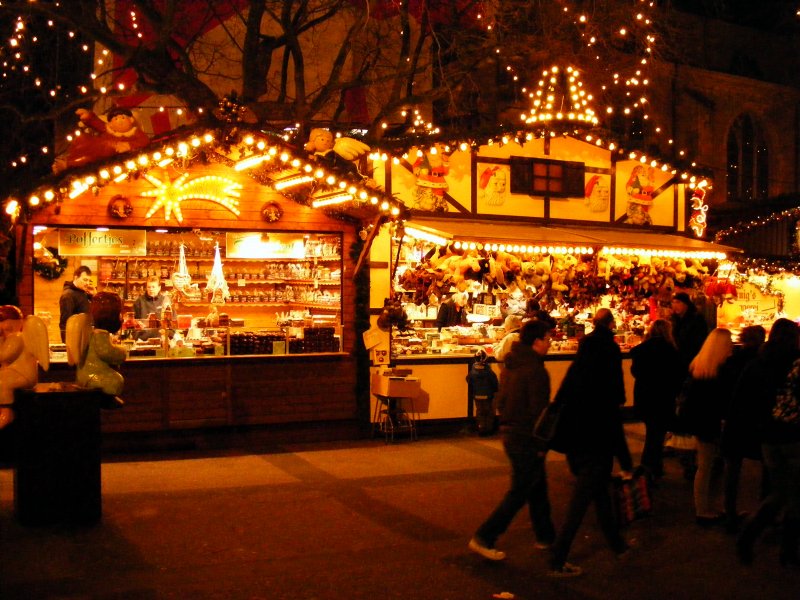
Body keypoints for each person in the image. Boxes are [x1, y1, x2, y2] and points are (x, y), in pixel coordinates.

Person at [547, 308, 632, 577]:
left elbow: (563, 395)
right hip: (596, 443)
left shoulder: (578, 372)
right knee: (582, 501)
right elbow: (612, 418)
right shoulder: (605, 379)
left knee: (599, 495)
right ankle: (558, 558)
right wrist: (626, 460)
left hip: (576, 440)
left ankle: (618, 546)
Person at [469, 320, 556, 561]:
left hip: (510, 431)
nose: (550, 344)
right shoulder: (536, 370)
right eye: (548, 339)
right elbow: (540, 411)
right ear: (537, 342)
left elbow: (502, 400)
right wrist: (541, 444)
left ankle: (546, 536)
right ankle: (485, 536)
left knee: (536, 486)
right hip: (525, 436)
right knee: (521, 490)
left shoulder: (512, 364)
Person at [736, 318, 800, 566]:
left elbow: (742, 399)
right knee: (792, 493)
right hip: (793, 436)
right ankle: (785, 549)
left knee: (782, 490)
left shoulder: (759, 363)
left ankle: (754, 534)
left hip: (768, 437)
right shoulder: (795, 363)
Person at [678, 328, 734, 526]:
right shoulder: (719, 371)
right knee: (707, 466)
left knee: (705, 465)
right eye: (728, 345)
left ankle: (705, 507)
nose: (731, 349)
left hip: (700, 423)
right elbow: (721, 403)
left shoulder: (700, 367)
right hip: (711, 424)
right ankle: (704, 509)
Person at [720, 325, 767, 533]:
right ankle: (764, 514)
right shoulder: (762, 364)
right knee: (767, 467)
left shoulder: (731, 362)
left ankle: (730, 512)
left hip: (734, 420)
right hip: (756, 421)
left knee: (732, 468)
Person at [630, 319, 683, 480]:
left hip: (645, 396)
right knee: (657, 433)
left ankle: (653, 466)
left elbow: (636, 372)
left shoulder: (640, 350)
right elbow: (676, 376)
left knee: (653, 431)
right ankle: (649, 467)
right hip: (663, 398)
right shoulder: (671, 351)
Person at [670, 292, 709, 374]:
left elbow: (700, 340)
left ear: (686, 304)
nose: (675, 305)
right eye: (673, 302)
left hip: (691, 359)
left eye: (678, 302)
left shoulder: (696, 319)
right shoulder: (675, 319)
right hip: (678, 359)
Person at [466, 349, 499, 436]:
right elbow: (494, 382)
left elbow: (468, 380)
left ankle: (481, 427)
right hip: (488, 395)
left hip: (477, 395)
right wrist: (495, 390)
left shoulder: (472, 371)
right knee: (488, 411)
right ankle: (488, 428)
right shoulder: (489, 372)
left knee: (479, 411)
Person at [59, 265, 93, 343]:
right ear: (76, 277)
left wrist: (93, 296)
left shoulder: (83, 292)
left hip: (84, 337)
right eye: (85, 280)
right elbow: (65, 322)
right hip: (75, 340)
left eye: (89, 281)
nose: (87, 283)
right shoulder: (68, 295)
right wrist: (66, 343)